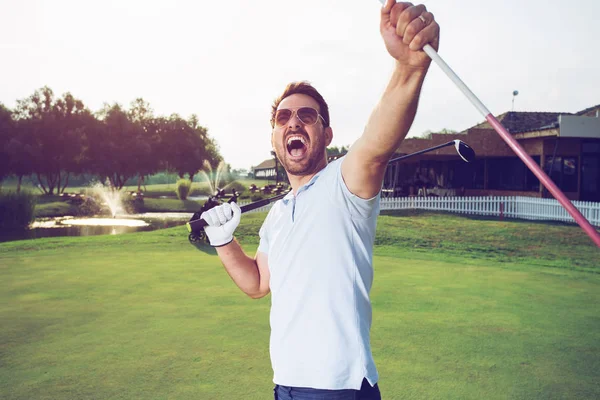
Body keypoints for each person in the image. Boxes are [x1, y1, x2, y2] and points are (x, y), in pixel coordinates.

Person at [200, 1, 440, 398]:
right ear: (275, 139)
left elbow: (377, 142)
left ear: (326, 135)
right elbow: (259, 283)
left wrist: (409, 67)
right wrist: (223, 242)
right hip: (286, 385)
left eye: (307, 116)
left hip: (338, 388)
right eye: (283, 117)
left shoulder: (345, 181)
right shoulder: (278, 214)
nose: (293, 121)